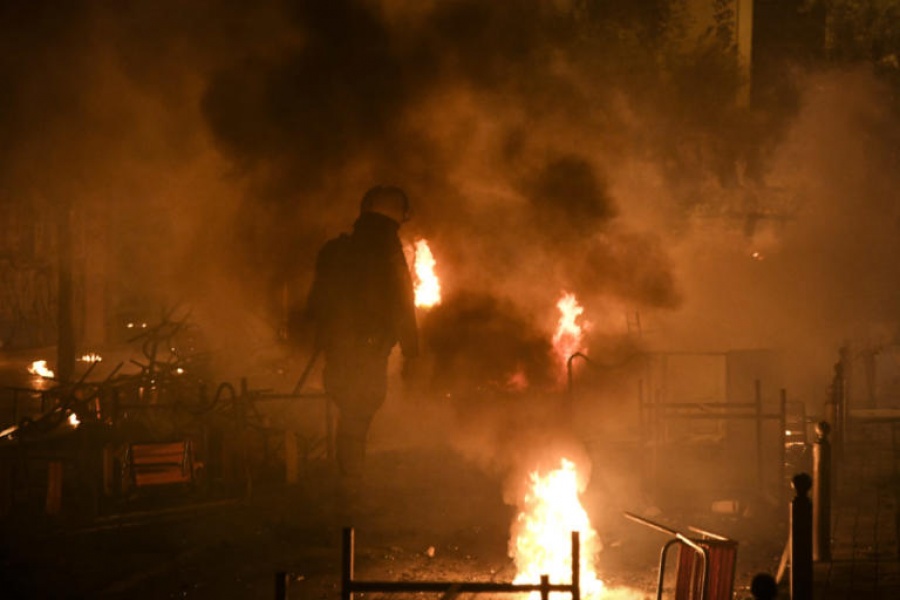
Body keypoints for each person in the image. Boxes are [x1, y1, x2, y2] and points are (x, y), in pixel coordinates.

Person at [306, 185, 419, 480]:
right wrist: (412, 351)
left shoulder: (335, 250)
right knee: (359, 412)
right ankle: (350, 481)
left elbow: (315, 304)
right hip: (368, 352)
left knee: (349, 412)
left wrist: (324, 338)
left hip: (337, 349)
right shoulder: (387, 248)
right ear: (395, 214)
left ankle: (348, 473)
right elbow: (402, 301)